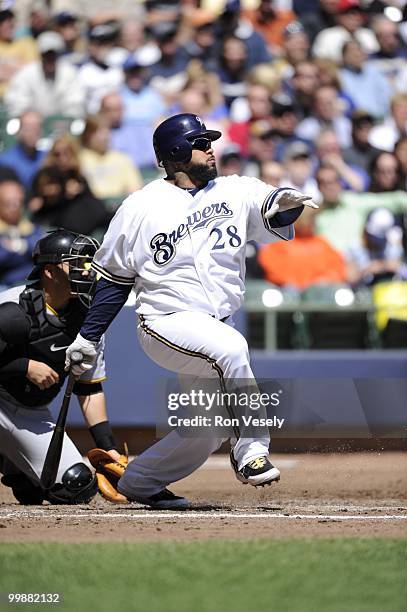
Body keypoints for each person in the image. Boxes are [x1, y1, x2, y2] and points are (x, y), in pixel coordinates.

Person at [65, 112, 317, 510]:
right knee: (232, 349)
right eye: (201, 143)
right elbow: (115, 280)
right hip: (165, 321)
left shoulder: (234, 189)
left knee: (206, 430)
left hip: (216, 323)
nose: (210, 147)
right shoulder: (139, 207)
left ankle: (138, 481)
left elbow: (271, 207)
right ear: (177, 153)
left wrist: (288, 202)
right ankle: (251, 450)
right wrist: (88, 336)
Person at [0, 229, 122, 505]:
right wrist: (24, 366)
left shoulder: (89, 320)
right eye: (78, 263)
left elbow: (88, 388)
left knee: (75, 486)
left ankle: (15, 465)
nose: (88, 270)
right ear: (50, 272)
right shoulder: (11, 304)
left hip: (28, 412)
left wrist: (108, 448)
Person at [0, 178, 44, 288]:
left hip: (34, 283)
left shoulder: (30, 227)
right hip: (6, 286)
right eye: (9, 203)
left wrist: (19, 246)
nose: (15, 208)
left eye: (18, 202)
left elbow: (42, 248)